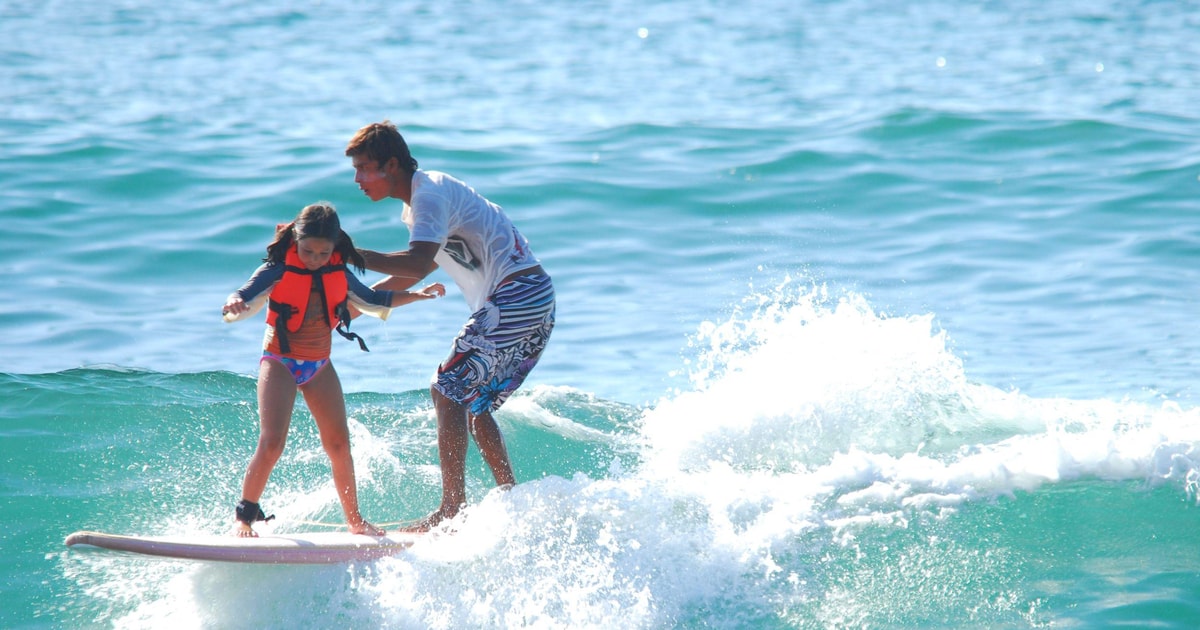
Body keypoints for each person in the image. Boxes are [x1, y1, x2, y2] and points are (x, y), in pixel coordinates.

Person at [344, 121, 555, 531]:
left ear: (392, 165)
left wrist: (347, 253)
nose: (357, 179)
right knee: (474, 406)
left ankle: (452, 509)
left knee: (446, 388)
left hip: (517, 294)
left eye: (365, 168)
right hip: (535, 299)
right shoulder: (422, 206)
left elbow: (417, 262)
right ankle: (511, 504)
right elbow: (413, 273)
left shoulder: (431, 194)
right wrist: (349, 309)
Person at [222, 201, 445, 538]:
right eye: (308, 251)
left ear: (335, 248)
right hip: (280, 360)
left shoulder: (337, 272)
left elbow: (373, 300)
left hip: (318, 365)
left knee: (339, 445)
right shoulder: (278, 268)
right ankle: (244, 517)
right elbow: (244, 293)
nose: (314, 259)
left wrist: (417, 295)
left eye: (323, 253)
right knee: (272, 443)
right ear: (295, 242)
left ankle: (354, 520)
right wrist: (235, 301)